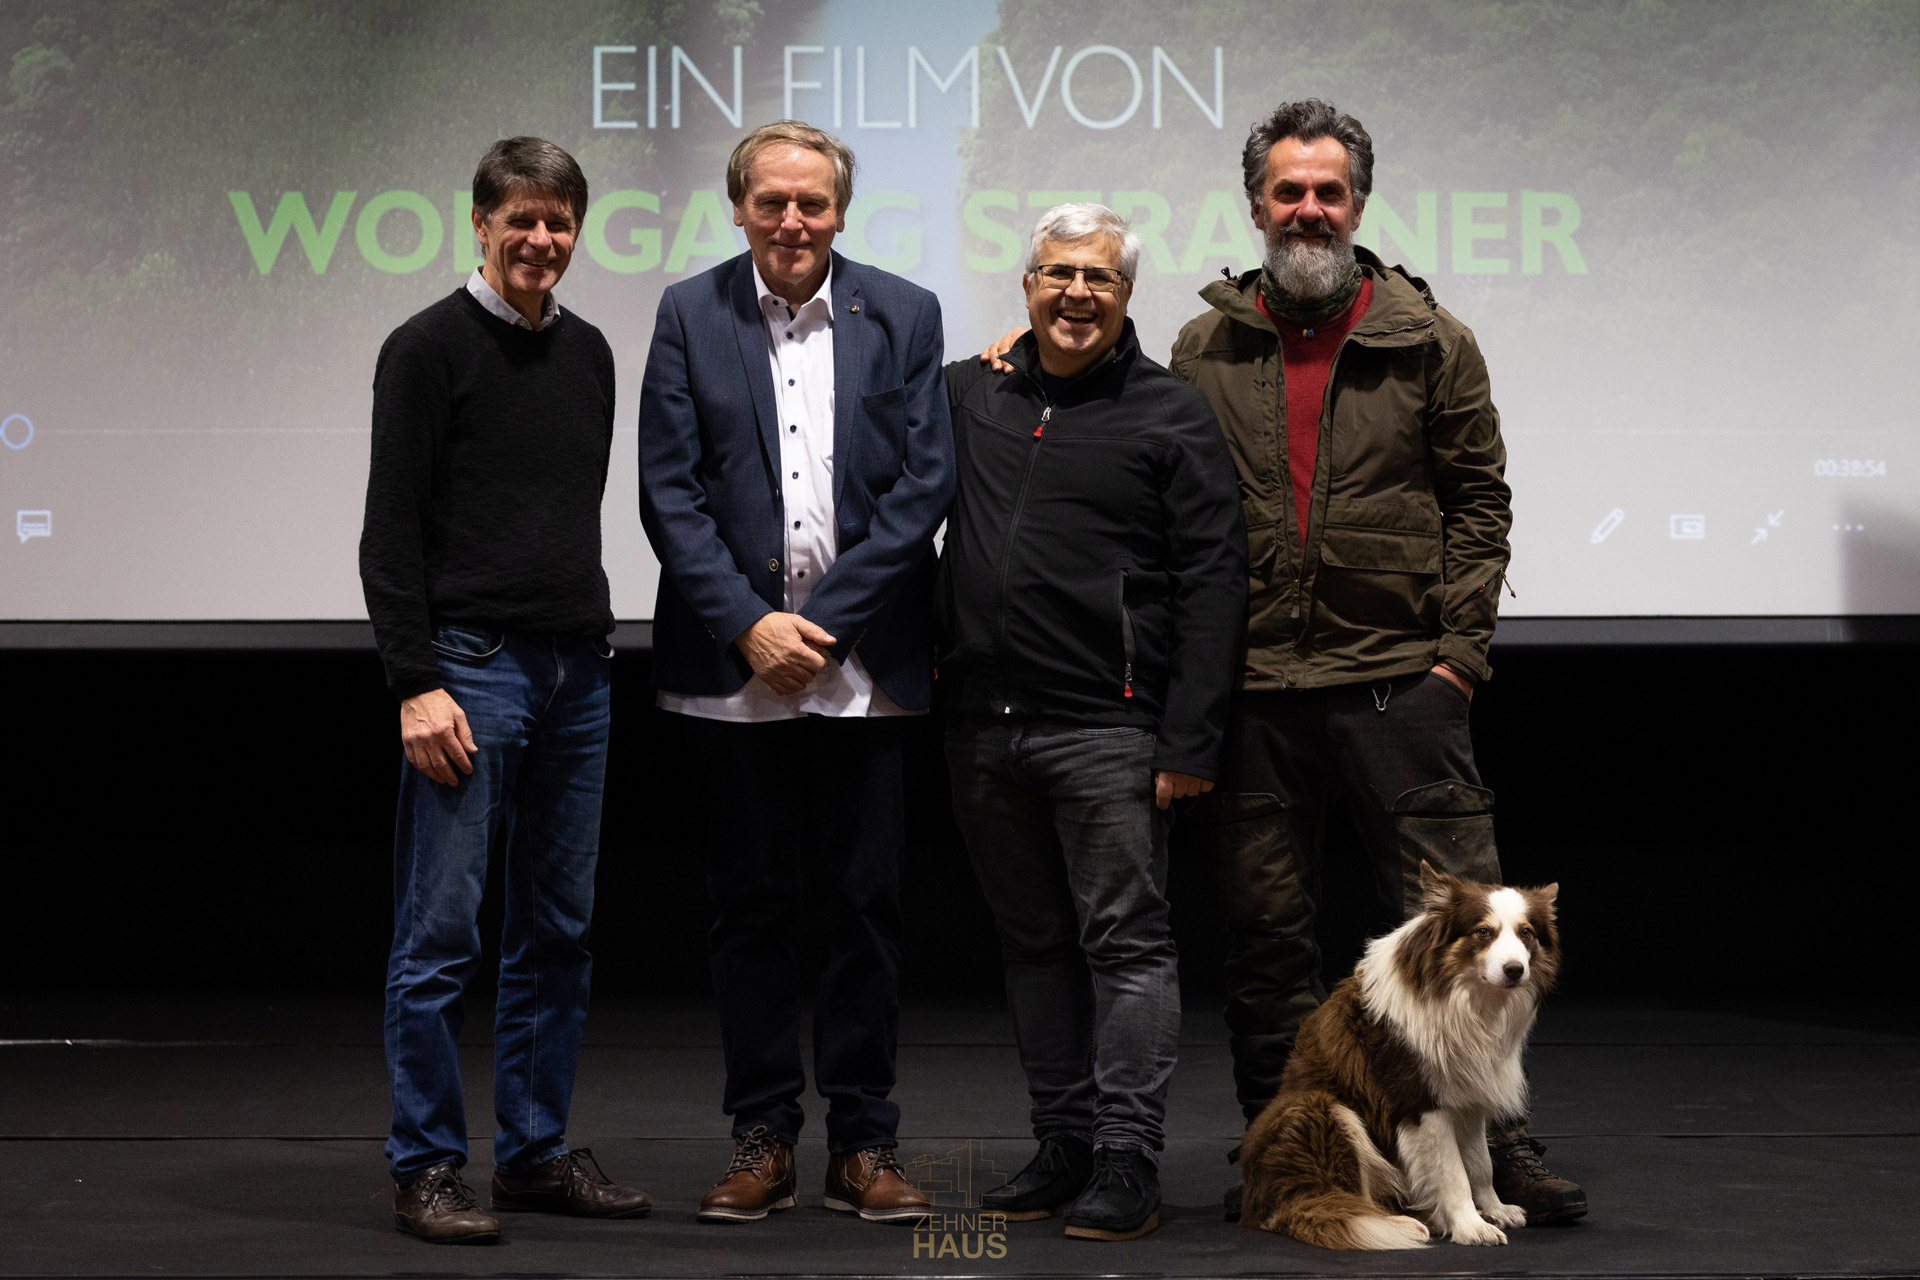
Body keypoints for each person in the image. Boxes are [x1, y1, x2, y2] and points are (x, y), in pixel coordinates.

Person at [1166, 98, 1585, 1224]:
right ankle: (1286, 1143)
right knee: (1264, 939)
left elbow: (1479, 506)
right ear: (1257, 204)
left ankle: (1508, 1148)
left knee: (1479, 940)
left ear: (1358, 202)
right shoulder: (1203, 345)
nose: (1309, 208)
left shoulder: (1430, 338)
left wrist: (1455, 658)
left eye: (1329, 190)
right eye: (1288, 191)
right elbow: (1173, 514)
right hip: (1254, 691)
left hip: (1403, 684)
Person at [636, 121, 952, 1225]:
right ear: (738, 209)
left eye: (811, 202)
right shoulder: (689, 311)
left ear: (841, 209)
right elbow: (668, 493)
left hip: (863, 669)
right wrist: (749, 627)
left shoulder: (903, 312)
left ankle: (865, 1141)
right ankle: (763, 1135)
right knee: (751, 911)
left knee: (866, 908)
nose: (792, 221)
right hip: (734, 675)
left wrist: (820, 624)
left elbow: (924, 488)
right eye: (770, 202)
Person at [359, 136, 649, 1244]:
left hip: (579, 670)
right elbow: (389, 536)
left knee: (557, 931)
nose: (541, 240)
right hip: (469, 671)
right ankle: (427, 1163)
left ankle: (530, 1152)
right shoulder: (424, 347)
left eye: (560, 222)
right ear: (478, 223)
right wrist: (416, 681)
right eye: (519, 220)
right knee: (440, 935)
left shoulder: (590, 353)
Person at [939, 205, 1246, 1241]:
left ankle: (1126, 1157)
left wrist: (1190, 737)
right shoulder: (968, 390)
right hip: (982, 723)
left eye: (1099, 277)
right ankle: (1063, 1141)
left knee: (1127, 945)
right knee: (1031, 945)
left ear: (1126, 295)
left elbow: (1214, 579)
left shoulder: (1170, 412)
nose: (1077, 292)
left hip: (1110, 730)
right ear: (1026, 282)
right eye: (1057, 272)